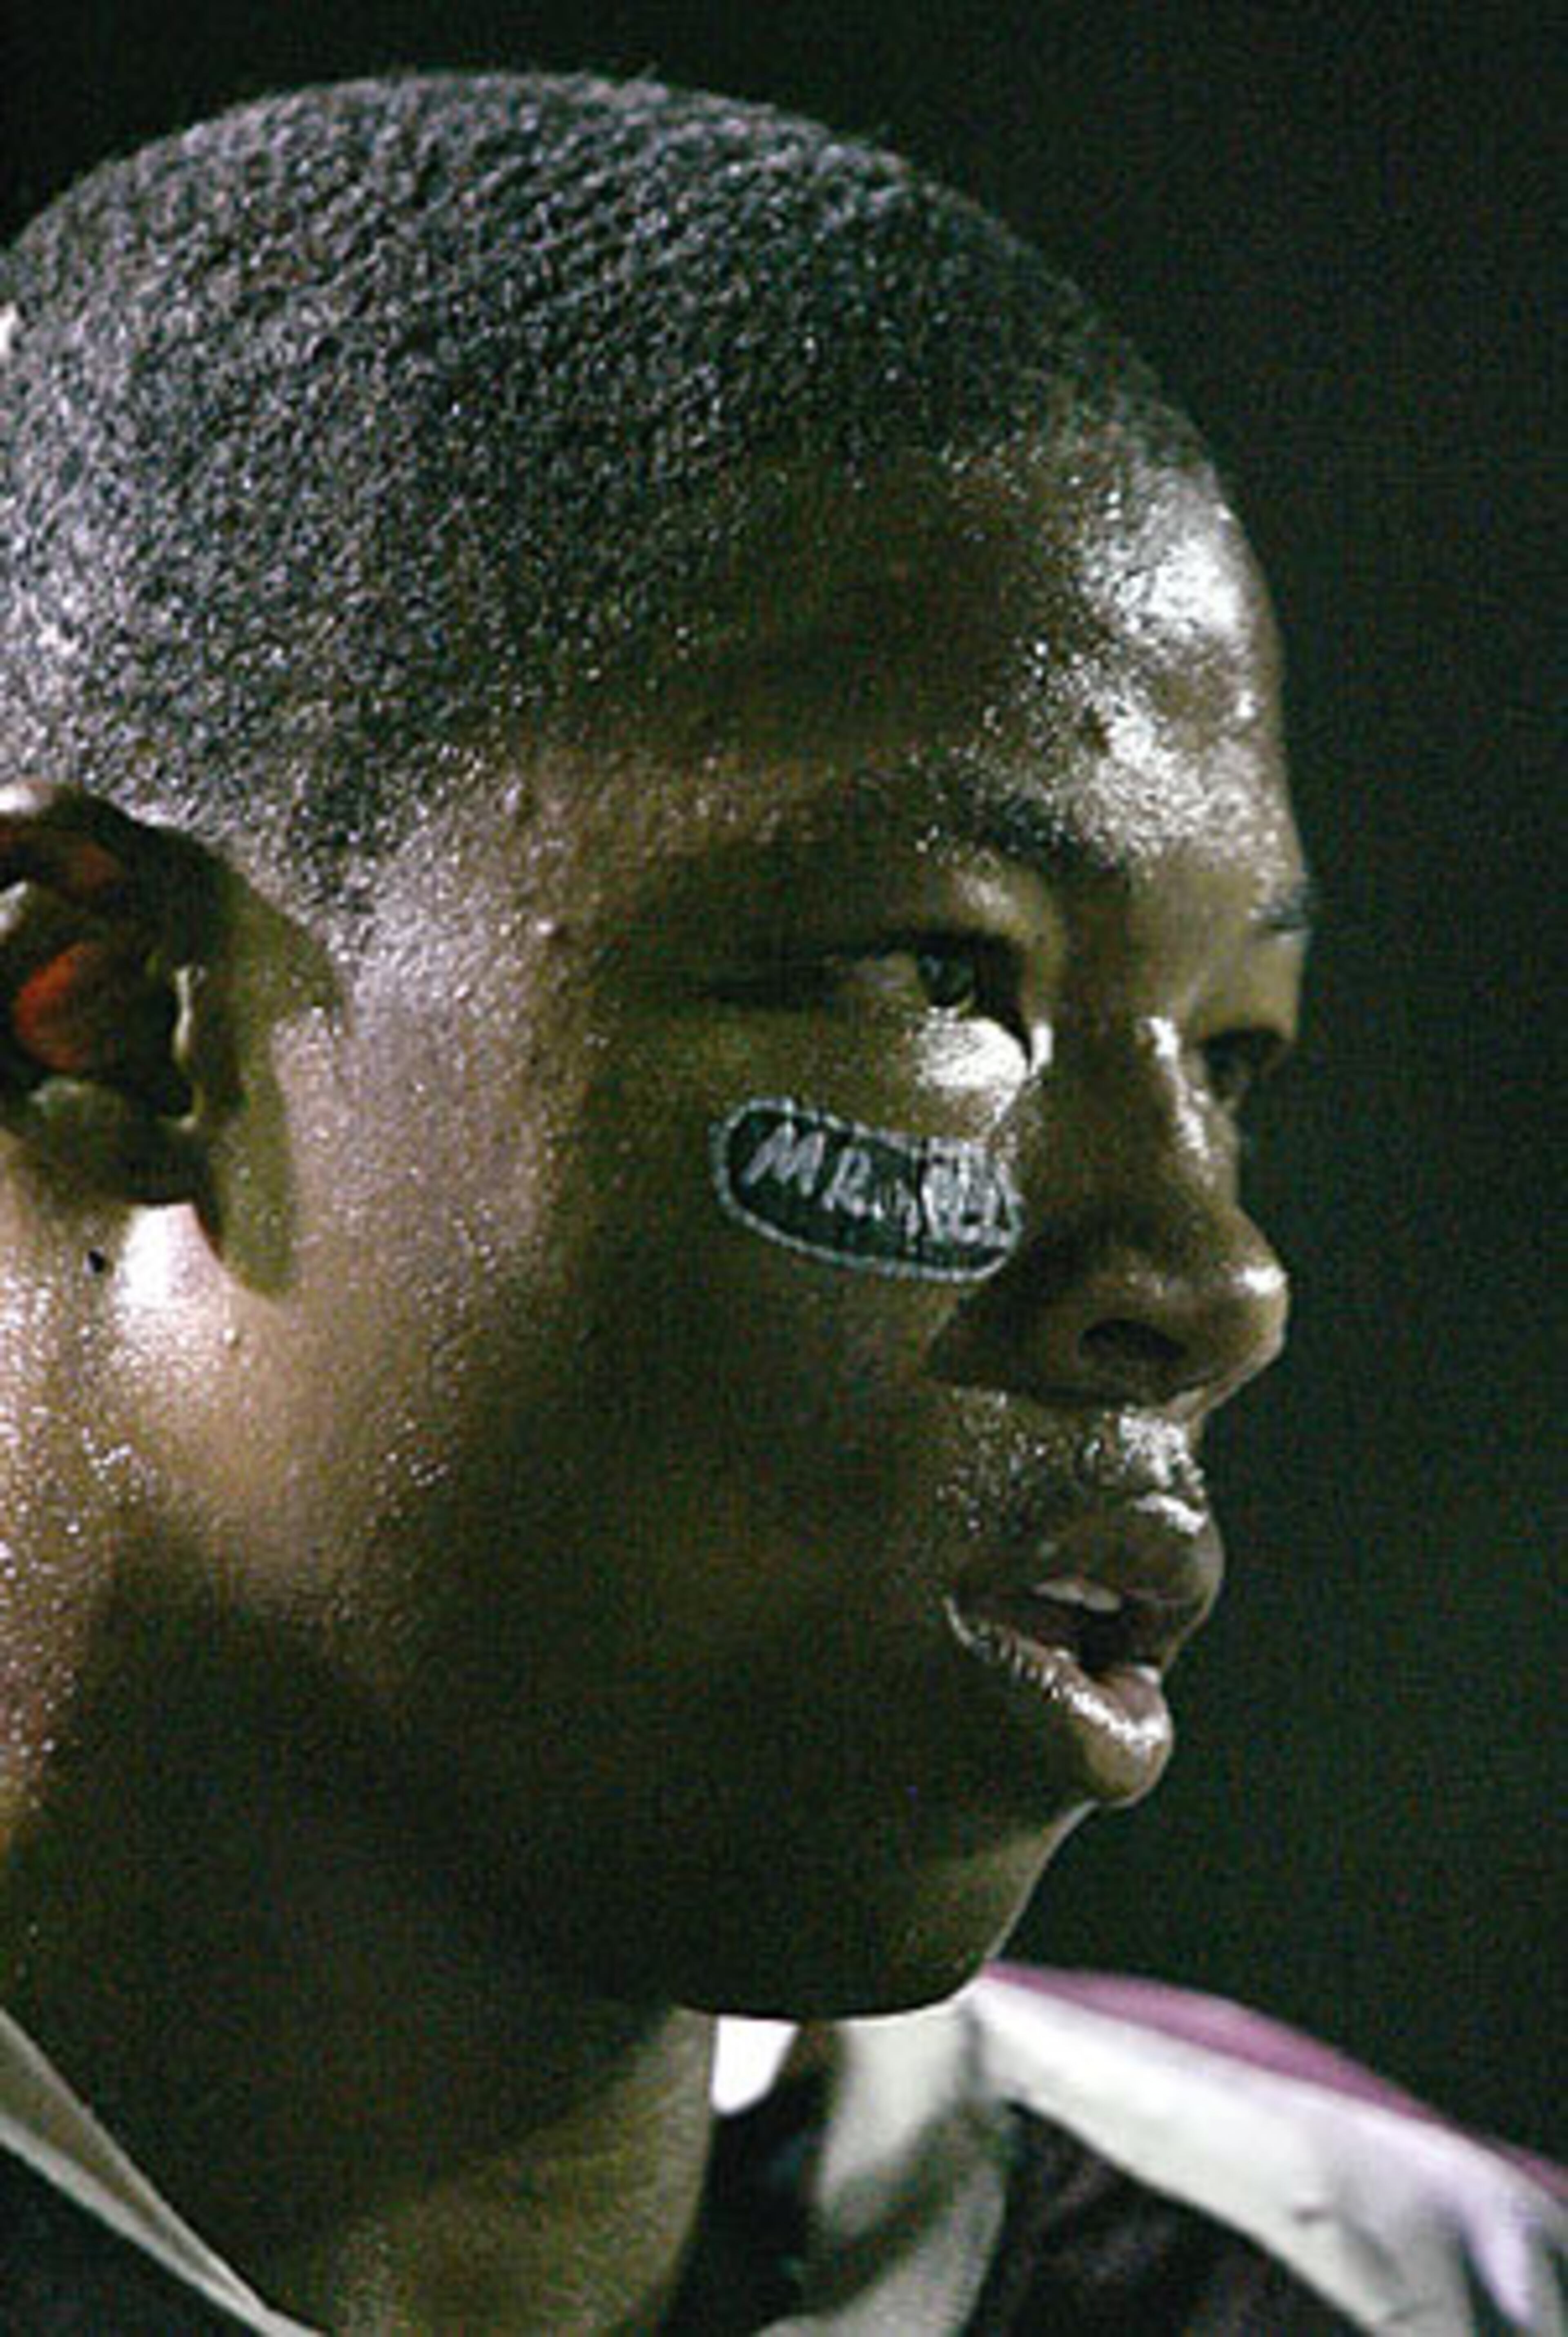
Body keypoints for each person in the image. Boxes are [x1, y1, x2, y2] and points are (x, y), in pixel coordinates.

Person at [0, 69, 1560, 2335]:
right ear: (114, 1016)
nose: (1206, 1281)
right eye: (949, 977)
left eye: (1234, 1067)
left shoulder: (1421, 2284)